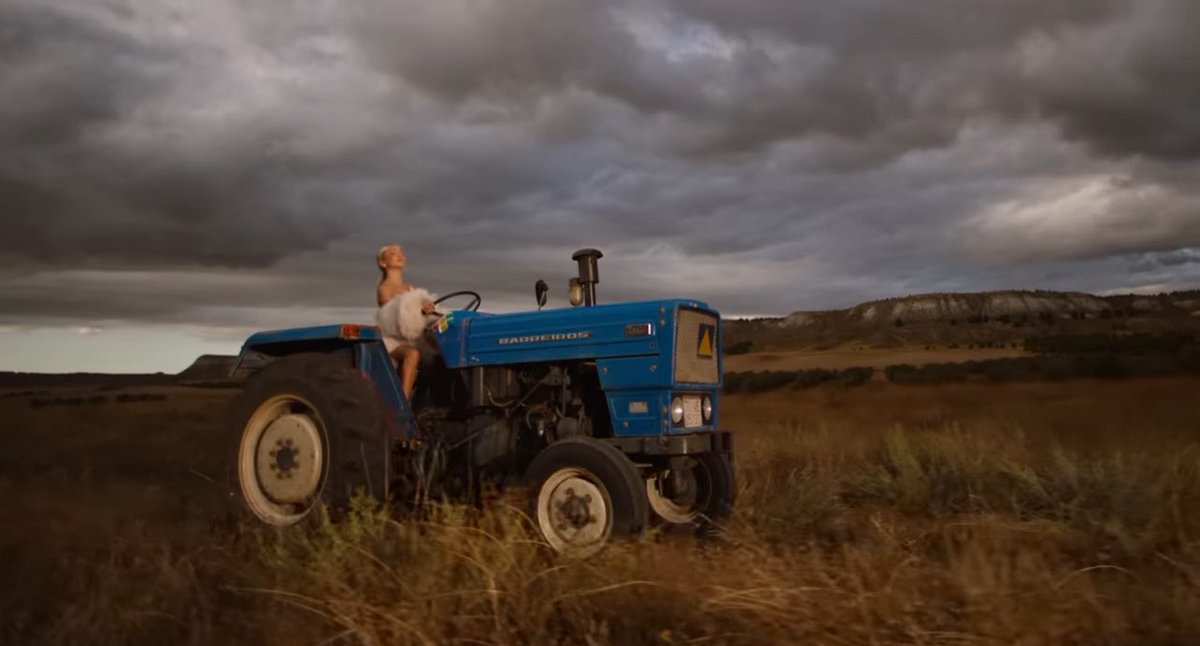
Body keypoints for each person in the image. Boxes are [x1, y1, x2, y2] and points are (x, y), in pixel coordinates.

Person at [375, 243, 437, 400]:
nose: (400, 255)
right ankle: (403, 401)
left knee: (440, 353)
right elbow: (393, 314)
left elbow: (417, 308)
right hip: (392, 340)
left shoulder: (409, 287)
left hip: (410, 339)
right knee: (412, 353)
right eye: (393, 254)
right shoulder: (384, 288)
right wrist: (418, 309)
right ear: (383, 263)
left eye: (401, 253)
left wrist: (428, 307)